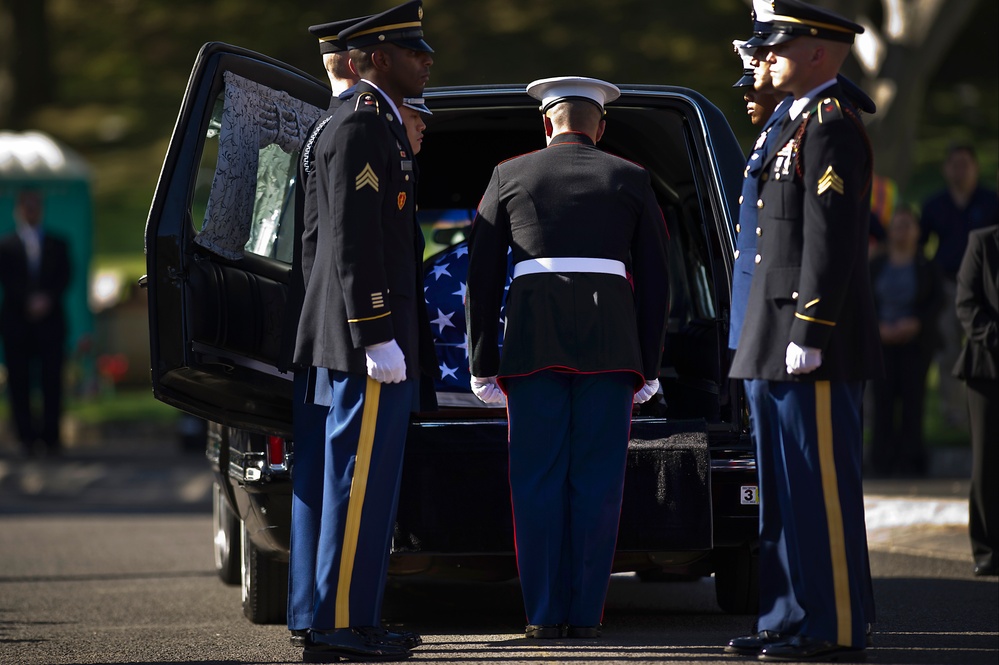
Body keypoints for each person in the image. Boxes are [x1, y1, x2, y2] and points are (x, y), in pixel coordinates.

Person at [465, 76, 670, 638]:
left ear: (547, 122)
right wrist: (648, 363)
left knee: (535, 480)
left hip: (532, 346)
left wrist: (482, 359)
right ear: (599, 127)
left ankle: (543, 615)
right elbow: (657, 281)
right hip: (611, 346)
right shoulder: (631, 177)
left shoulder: (509, 175)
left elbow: (480, 280)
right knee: (598, 482)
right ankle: (585, 616)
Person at [727, 0, 883, 660]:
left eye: (779, 46)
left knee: (818, 486)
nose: (767, 58)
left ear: (818, 52)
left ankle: (833, 624)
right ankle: (786, 616)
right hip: (774, 332)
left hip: (808, 336)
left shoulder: (830, 125)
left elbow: (832, 237)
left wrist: (811, 326)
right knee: (783, 490)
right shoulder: (789, 125)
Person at [291, 1, 437, 662]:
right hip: (362, 340)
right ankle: (342, 623)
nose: (426, 60)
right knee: (358, 487)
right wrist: (376, 331)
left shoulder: (352, 122)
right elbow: (354, 241)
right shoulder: (362, 126)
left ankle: (327, 614)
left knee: (337, 486)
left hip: (341, 336)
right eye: (413, 51)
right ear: (376, 58)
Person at [282, 13, 366, 652]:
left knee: (314, 468)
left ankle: (309, 609)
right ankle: (329, 616)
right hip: (344, 329)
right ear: (362, 63)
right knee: (336, 469)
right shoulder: (352, 127)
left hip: (314, 326)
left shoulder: (316, 129)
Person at [920, 144, 998, 429]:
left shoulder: (991, 202)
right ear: (945, 169)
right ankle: (953, 414)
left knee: (988, 349)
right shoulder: (934, 204)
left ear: (975, 167)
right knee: (948, 351)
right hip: (947, 286)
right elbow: (919, 246)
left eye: (965, 164)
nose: (959, 170)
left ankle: (986, 412)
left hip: (985, 290)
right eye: (954, 164)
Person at [868, 205, 943, 477]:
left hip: (916, 345)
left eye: (907, 226)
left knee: (913, 404)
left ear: (918, 232)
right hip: (882, 344)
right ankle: (881, 462)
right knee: (883, 404)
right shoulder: (875, 265)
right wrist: (878, 327)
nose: (902, 232)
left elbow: (937, 300)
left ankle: (912, 463)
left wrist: (917, 323)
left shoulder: (926, 265)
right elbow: (864, 302)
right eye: (897, 225)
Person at [0, 189, 72, 457]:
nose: (31, 211)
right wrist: (28, 301)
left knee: (51, 379)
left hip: (50, 324)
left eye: (35, 206)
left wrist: (46, 300)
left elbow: (65, 276)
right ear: (19, 210)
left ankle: (51, 436)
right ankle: (25, 437)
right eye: (26, 206)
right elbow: (8, 280)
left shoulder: (57, 243)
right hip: (17, 323)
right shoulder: (6, 245)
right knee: (19, 381)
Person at [953, 224, 999, 577]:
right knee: (987, 460)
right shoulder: (982, 242)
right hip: (988, 368)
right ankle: (987, 550)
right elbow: (966, 304)